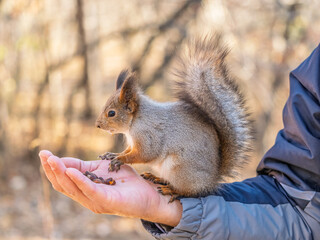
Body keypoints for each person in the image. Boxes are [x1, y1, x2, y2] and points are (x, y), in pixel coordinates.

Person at [39, 44, 320, 239]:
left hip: (193, 170)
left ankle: (177, 188)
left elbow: (147, 152)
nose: (102, 123)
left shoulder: (144, 124)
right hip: (196, 171)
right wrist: (161, 210)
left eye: (110, 116)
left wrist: (122, 159)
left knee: (170, 161)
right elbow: (296, 202)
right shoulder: (139, 125)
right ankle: (173, 188)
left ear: (130, 107)